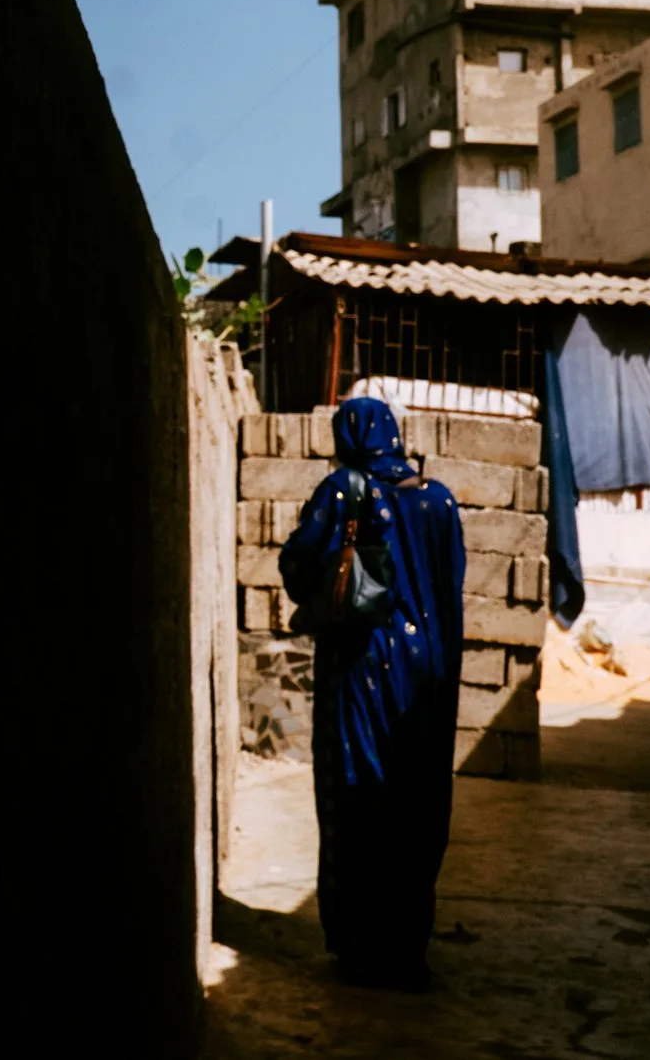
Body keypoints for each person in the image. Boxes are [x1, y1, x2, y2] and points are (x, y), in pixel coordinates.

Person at [278, 397, 466, 989]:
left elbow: (295, 566)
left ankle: (358, 944)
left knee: (358, 794)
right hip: (427, 670)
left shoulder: (342, 490)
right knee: (416, 798)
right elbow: (451, 583)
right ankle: (407, 947)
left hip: (362, 667)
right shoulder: (439, 499)